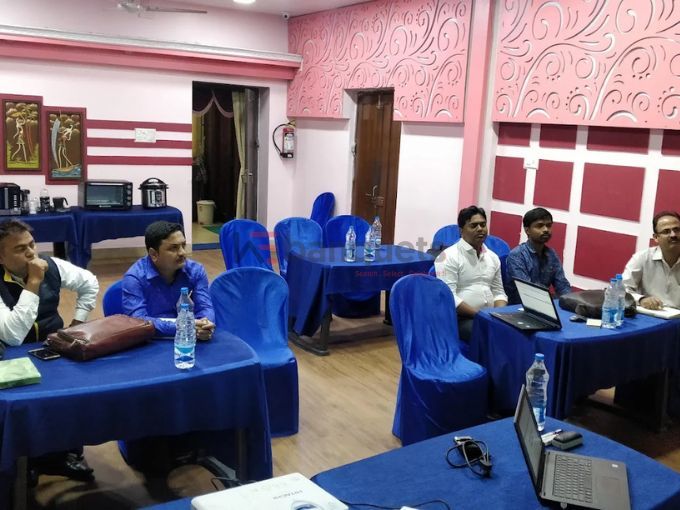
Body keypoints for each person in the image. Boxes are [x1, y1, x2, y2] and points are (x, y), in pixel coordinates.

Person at [0, 219, 99, 482]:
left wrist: (77, 322)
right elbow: (12, 335)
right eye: (20, 249)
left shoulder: (51, 265)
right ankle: (23, 461)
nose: (31, 253)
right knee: (23, 409)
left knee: (67, 399)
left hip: (49, 347)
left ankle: (60, 456)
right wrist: (33, 283)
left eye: (32, 245)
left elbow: (89, 282)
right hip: (10, 356)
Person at [123, 221, 215, 340]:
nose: (182, 253)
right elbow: (138, 321)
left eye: (183, 245)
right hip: (151, 341)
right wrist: (183, 326)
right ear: (154, 254)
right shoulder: (134, 278)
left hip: (188, 339)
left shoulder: (195, 271)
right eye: (173, 248)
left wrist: (205, 324)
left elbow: (205, 307)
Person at [435, 206, 507, 342]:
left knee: (513, 332)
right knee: (488, 335)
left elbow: (499, 292)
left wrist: (499, 315)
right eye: (474, 226)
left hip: (490, 316)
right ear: (461, 230)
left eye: (483, 225)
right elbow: (450, 297)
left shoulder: (493, 257)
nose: (480, 229)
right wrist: (481, 316)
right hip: (460, 318)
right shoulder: (448, 257)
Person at [504, 207, 571, 304]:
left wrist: (569, 303)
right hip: (519, 307)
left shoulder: (551, 254)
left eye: (548, 225)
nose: (546, 230)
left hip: (544, 304)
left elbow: (563, 286)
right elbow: (528, 292)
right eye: (539, 226)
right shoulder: (517, 255)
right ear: (527, 230)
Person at [622, 210, 680, 309]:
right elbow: (621, 289)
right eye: (666, 231)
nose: (673, 235)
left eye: (677, 230)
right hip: (650, 314)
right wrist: (641, 299)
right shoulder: (642, 258)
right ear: (656, 237)